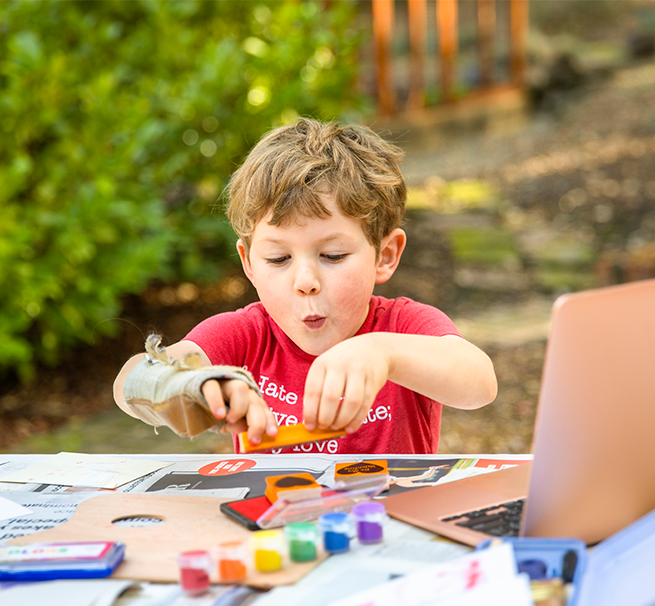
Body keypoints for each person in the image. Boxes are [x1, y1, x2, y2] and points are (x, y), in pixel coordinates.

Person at [113, 118, 497, 454]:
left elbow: (479, 383)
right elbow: (129, 383)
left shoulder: (404, 327)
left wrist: (383, 353)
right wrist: (195, 383)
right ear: (248, 262)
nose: (306, 282)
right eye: (278, 260)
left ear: (384, 255)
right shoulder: (246, 335)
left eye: (332, 255)